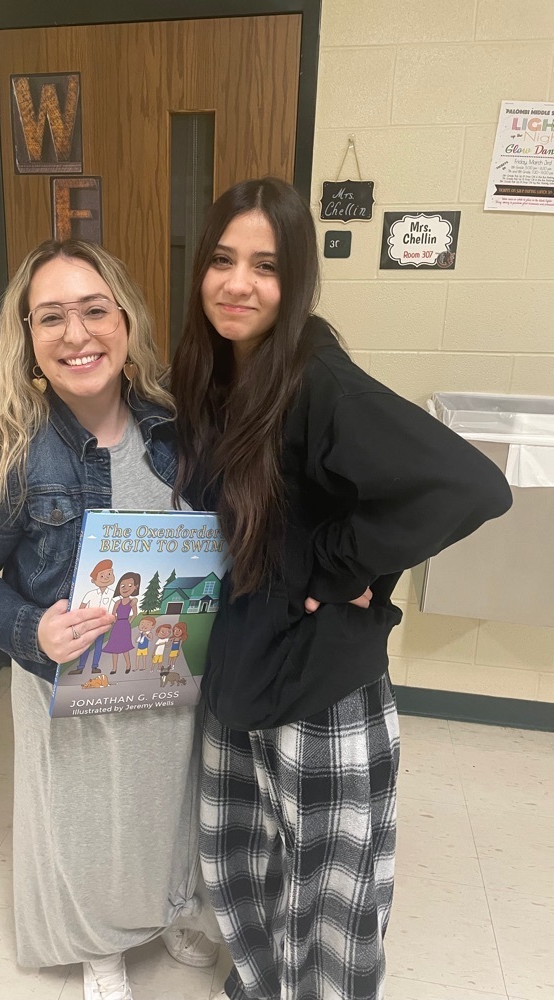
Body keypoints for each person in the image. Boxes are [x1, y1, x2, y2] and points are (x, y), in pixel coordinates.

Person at [170, 177, 513, 1000]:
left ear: (296, 280)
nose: (238, 284)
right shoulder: (214, 374)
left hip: (318, 684)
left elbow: (468, 486)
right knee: (244, 865)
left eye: (266, 266)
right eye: (222, 260)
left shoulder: (318, 379)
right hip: (240, 662)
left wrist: (338, 567)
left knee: (330, 901)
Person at [0, 239, 218, 1000]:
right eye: (51, 317)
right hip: (70, 679)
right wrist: (33, 630)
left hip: (168, 671)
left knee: (170, 802)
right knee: (89, 821)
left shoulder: (178, 426)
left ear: (126, 320)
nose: (77, 334)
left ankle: (171, 907)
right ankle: (98, 946)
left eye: (94, 310)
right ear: (27, 336)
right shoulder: (5, 452)